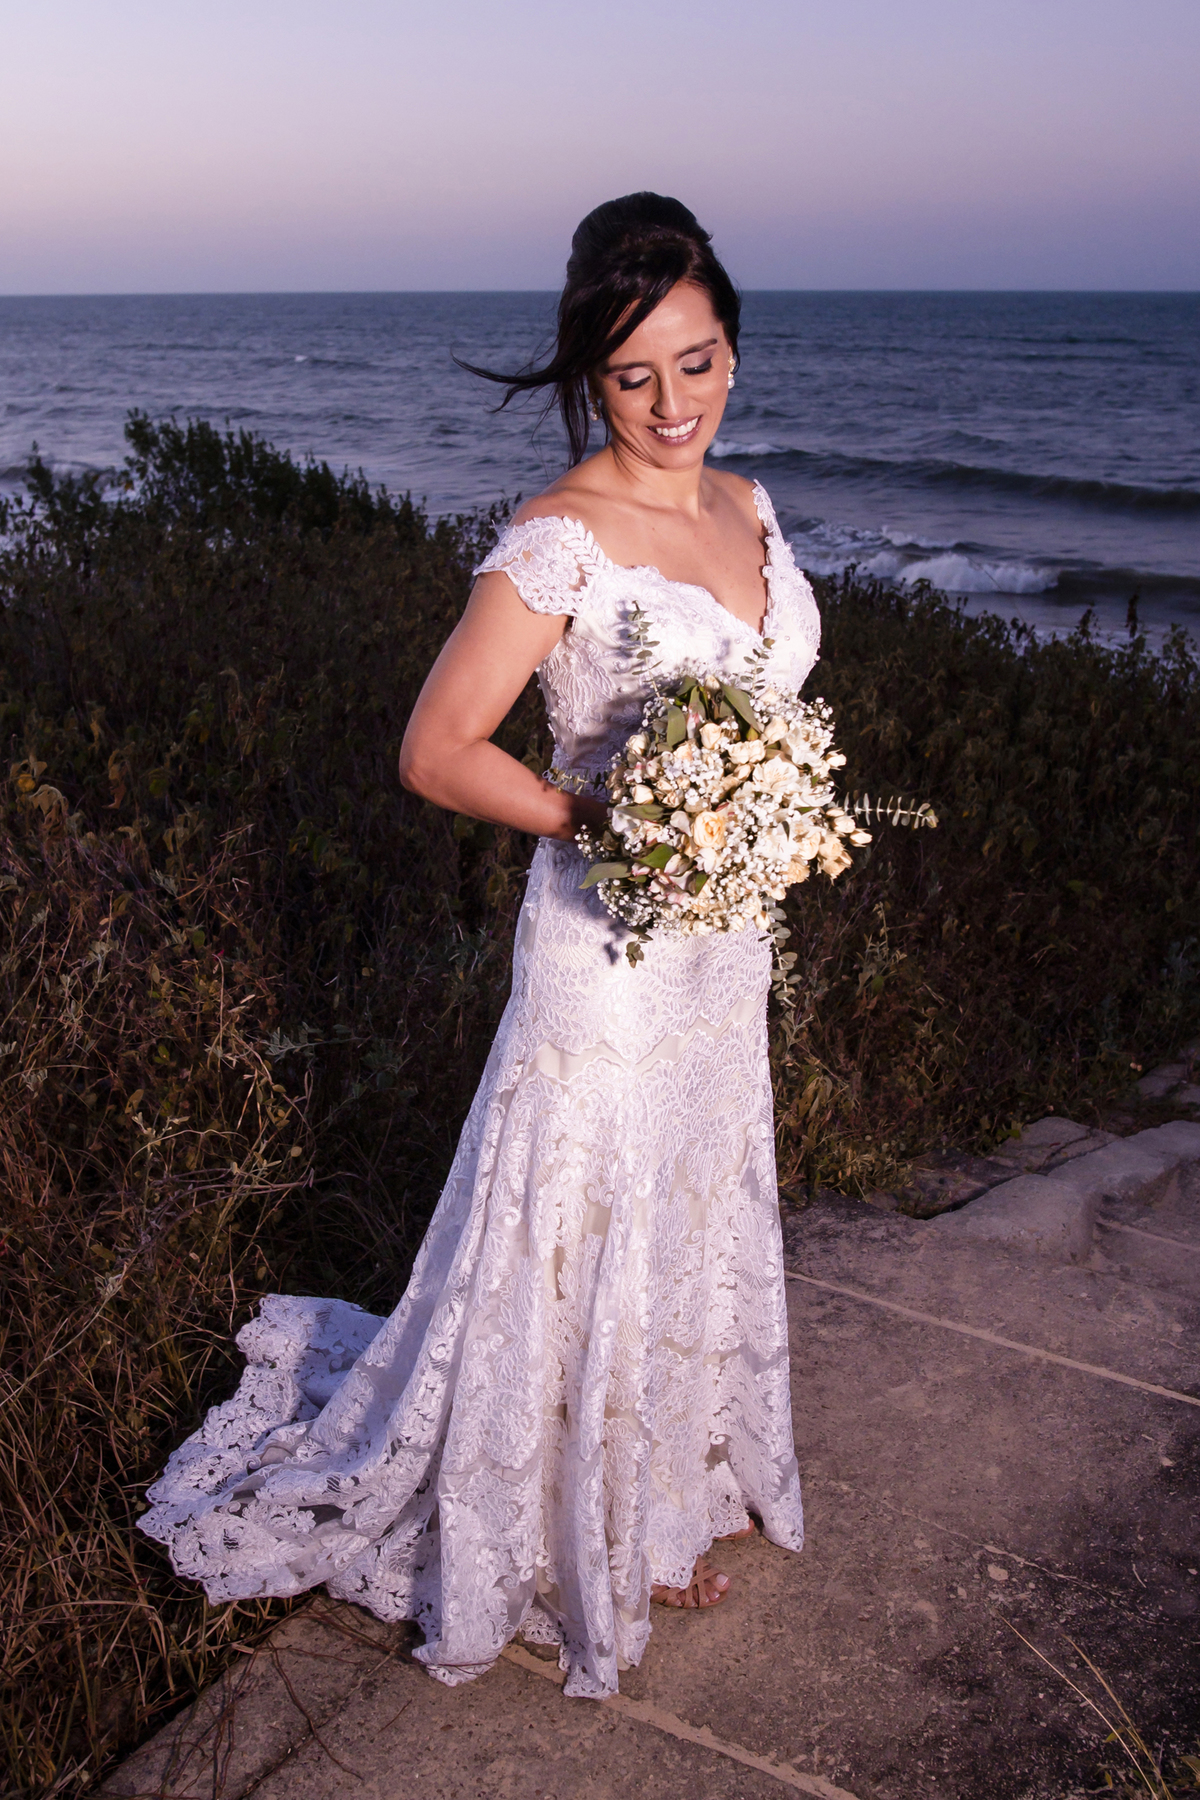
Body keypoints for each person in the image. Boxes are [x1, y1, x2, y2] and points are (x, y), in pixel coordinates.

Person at [141, 193, 820, 1700]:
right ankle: (587, 1527)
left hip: (723, 956)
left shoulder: (751, 502)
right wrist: (611, 819)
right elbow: (438, 748)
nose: (673, 405)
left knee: (689, 1197)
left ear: (733, 348)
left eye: (699, 363)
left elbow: (763, 704)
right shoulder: (558, 539)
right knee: (588, 1217)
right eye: (636, 376)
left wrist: (750, 812)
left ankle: (667, 1478)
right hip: (610, 949)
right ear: (591, 372)